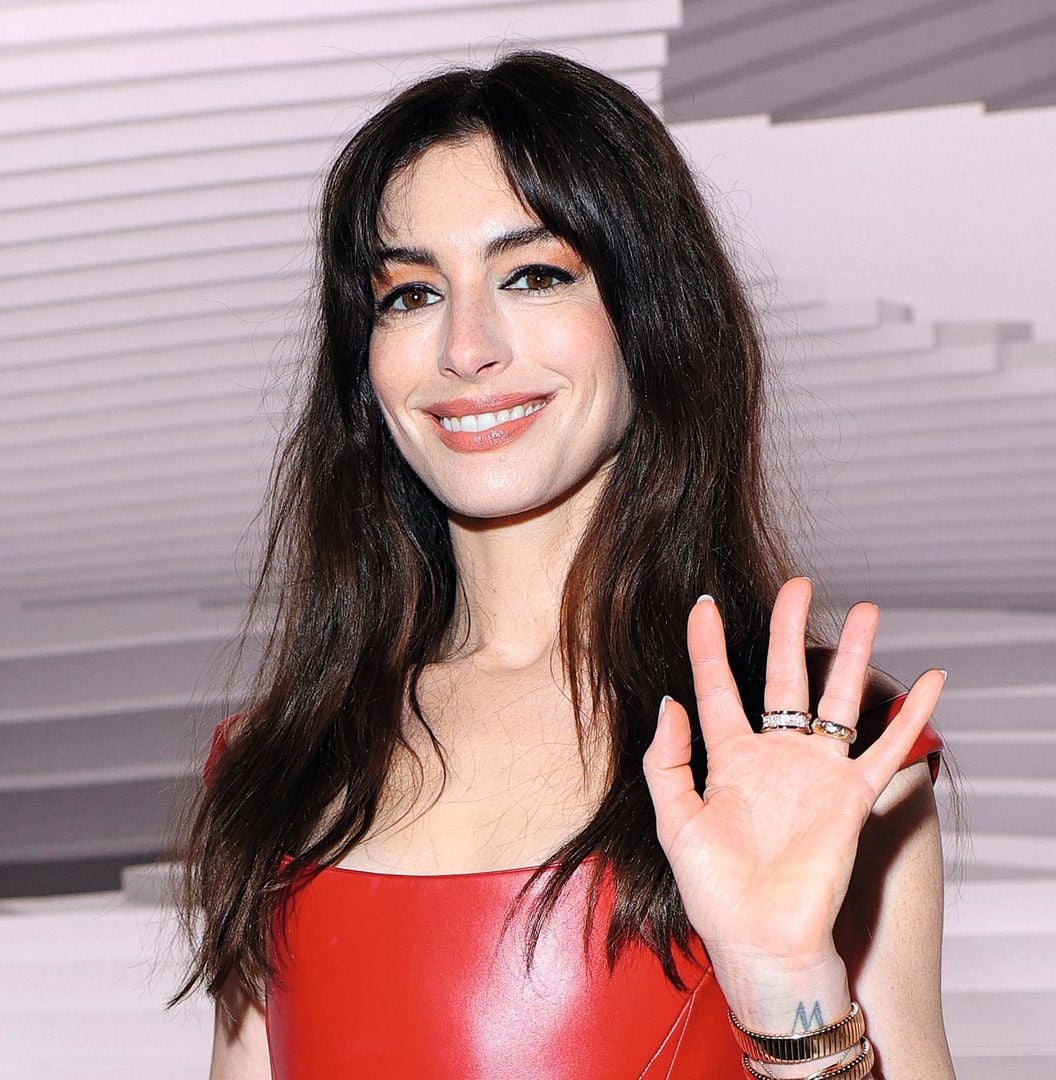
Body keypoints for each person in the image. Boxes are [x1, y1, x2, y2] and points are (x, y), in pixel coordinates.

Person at [174, 50, 955, 1079]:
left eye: (533, 275)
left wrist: (787, 987)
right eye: (408, 294)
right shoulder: (280, 760)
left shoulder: (817, 750)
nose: (465, 346)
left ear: (652, 318)